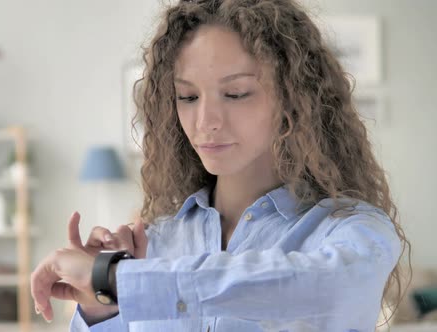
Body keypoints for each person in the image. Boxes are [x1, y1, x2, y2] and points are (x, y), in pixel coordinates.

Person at [30, 0, 410, 330]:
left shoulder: (354, 230)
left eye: (235, 93)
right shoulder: (154, 242)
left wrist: (120, 280)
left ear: (294, 100)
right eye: (188, 96)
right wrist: (102, 306)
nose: (205, 120)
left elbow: (327, 290)